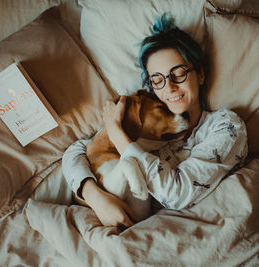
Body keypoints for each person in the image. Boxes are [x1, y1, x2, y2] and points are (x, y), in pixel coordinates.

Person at [62, 14, 248, 229]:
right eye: (158, 80)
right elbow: (76, 151)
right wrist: (94, 196)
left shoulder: (227, 126)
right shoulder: (150, 124)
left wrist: (116, 132)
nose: (169, 88)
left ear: (200, 75)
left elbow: (177, 195)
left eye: (178, 74)